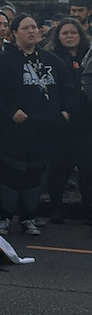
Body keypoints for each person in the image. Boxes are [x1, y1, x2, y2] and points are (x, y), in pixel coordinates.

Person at [0, 15, 73, 236]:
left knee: (35, 176)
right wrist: (10, 111)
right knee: (11, 175)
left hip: (44, 132)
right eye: (26, 28)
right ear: (15, 33)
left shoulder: (51, 60)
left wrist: (66, 112)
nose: (32, 31)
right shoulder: (2, 61)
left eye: (34, 27)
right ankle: (5, 218)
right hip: (13, 133)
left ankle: (29, 219)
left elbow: (69, 87)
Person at [45, 17, 92, 224]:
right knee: (58, 169)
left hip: (86, 121)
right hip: (62, 121)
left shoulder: (88, 56)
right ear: (58, 36)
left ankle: (89, 210)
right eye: (65, 33)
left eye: (73, 32)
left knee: (88, 169)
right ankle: (56, 208)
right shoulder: (52, 58)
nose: (69, 36)